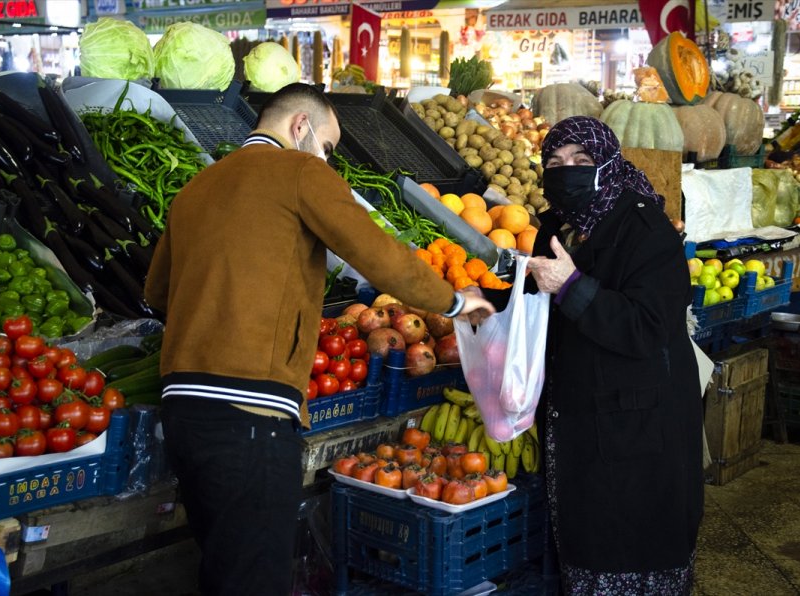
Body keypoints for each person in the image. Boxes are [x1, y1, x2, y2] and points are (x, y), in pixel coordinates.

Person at [144, 82, 494, 596]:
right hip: (252, 414)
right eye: (327, 147)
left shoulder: (198, 185)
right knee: (253, 580)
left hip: (182, 412)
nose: (327, 160)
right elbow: (376, 252)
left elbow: (157, 291)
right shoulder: (300, 171)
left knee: (224, 568)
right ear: (300, 126)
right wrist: (456, 302)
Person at [523, 116, 704, 594]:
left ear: (607, 163)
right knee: (587, 542)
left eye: (581, 159)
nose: (567, 170)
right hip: (581, 413)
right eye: (555, 162)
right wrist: (484, 302)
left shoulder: (647, 229)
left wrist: (572, 286)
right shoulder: (557, 226)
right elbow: (539, 300)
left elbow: (646, 327)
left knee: (635, 541)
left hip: (638, 421)